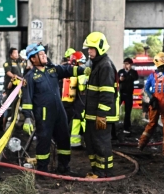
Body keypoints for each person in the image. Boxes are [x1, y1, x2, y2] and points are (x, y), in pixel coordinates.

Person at [20, 44, 79, 175]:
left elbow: (67, 70)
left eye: (44, 54)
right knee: (44, 141)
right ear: (33, 59)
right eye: (41, 55)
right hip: (44, 114)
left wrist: (84, 70)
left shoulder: (52, 70)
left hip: (59, 112)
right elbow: (27, 99)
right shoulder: (30, 77)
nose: (44, 56)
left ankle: (64, 167)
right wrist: (28, 117)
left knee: (64, 139)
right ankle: (43, 171)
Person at [80, 32, 118, 178]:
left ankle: (104, 172)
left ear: (100, 48)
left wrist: (101, 115)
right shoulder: (97, 65)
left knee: (101, 144)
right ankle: (96, 170)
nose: (89, 51)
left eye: (92, 48)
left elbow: (107, 95)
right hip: (91, 115)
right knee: (91, 143)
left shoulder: (105, 66)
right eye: (88, 48)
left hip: (100, 116)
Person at [138, 52, 164, 157]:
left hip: (155, 102)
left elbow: (146, 89)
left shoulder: (152, 76)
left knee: (151, 124)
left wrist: (152, 98)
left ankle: (141, 145)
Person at [116, 57, 139, 138]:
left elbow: (135, 78)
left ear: (130, 64)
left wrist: (129, 71)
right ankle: (114, 126)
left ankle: (126, 127)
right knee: (116, 109)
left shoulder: (133, 72)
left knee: (128, 111)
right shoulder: (120, 71)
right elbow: (116, 80)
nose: (125, 65)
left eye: (127, 64)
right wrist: (120, 79)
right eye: (124, 63)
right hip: (121, 94)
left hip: (129, 94)